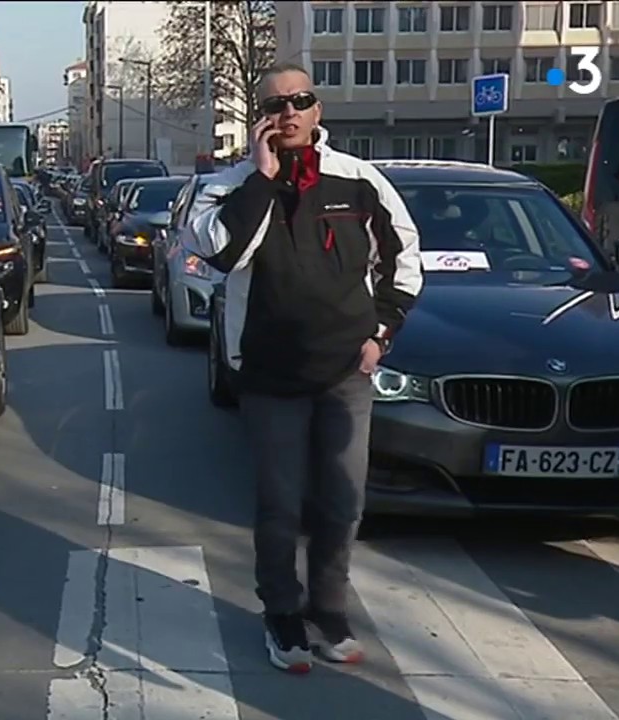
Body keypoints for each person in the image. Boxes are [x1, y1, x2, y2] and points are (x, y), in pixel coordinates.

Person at [184, 63, 423, 674]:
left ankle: (329, 609)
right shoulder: (228, 186)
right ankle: (283, 616)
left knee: (342, 503)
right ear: (259, 116)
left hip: (346, 371)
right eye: (276, 104)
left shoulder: (360, 181)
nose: (289, 112)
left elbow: (404, 258)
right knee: (280, 506)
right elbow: (221, 252)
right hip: (270, 374)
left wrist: (381, 333)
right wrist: (262, 180)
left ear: (319, 111)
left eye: (301, 101)